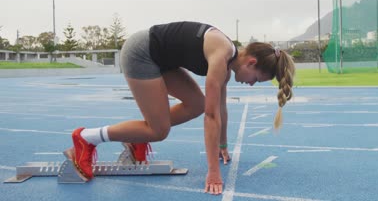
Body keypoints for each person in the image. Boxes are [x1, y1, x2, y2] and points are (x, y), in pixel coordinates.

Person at [68, 21, 295, 195]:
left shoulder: (227, 65)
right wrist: (213, 172)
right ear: (251, 62)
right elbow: (211, 116)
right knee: (158, 131)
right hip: (142, 53)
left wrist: (223, 144)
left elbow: (220, 107)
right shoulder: (221, 56)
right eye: (257, 78)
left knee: (196, 104)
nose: (252, 83)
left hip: (161, 59)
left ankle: (136, 138)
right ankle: (87, 137)